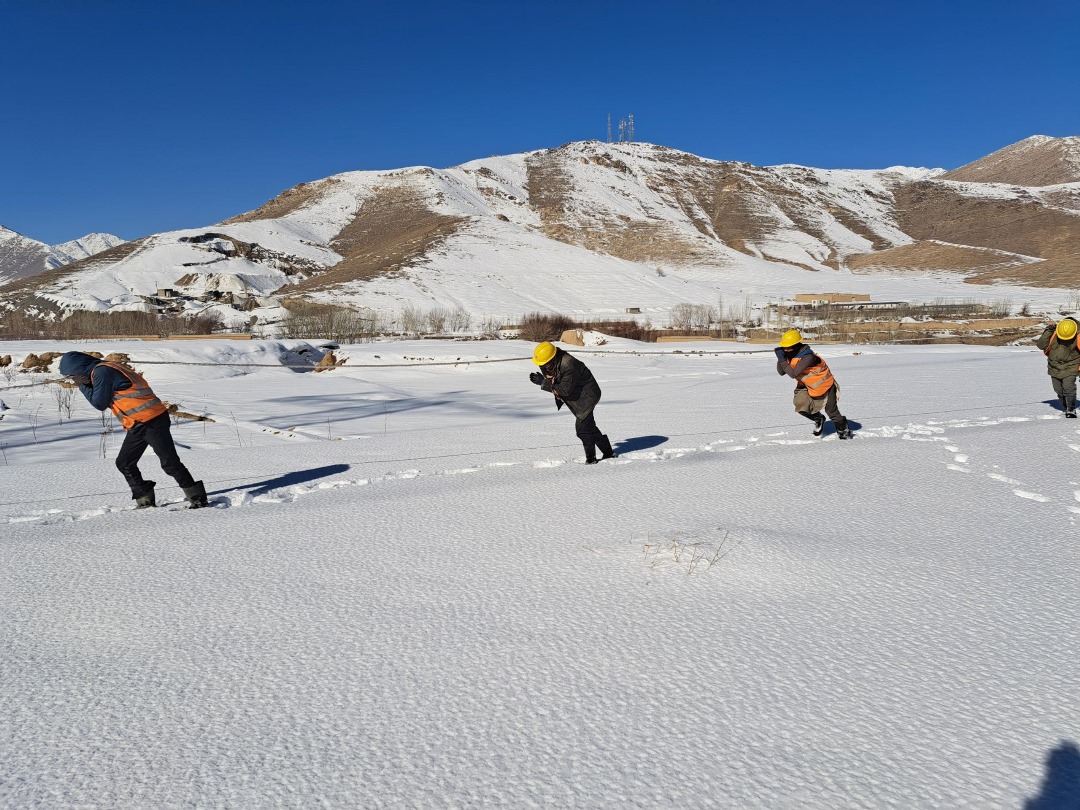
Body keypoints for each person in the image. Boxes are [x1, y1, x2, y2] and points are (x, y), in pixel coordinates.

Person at [58, 351, 209, 507]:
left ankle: (198, 499)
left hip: (152, 420)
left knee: (170, 463)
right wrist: (85, 383)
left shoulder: (102, 372)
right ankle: (145, 499)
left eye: (72, 376)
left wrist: (82, 385)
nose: (74, 379)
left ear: (79, 368)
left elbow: (99, 404)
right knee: (124, 462)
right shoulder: (105, 368)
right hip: (138, 423)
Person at [529, 341, 616, 464]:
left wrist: (543, 383)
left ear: (552, 358)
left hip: (587, 397)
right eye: (541, 364)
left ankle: (591, 460)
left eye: (544, 364)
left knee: (582, 430)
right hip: (576, 397)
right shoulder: (551, 364)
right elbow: (554, 380)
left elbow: (564, 390)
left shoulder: (569, 364)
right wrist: (544, 379)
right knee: (589, 427)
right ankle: (608, 453)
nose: (542, 367)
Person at [774, 329, 852, 439]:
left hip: (826, 386)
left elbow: (793, 374)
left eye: (788, 347)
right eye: (784, 347)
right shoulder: (789, 354)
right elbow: (781, 372)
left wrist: (782, 359)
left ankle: (844, 432)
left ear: (797, 345)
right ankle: (818, 418)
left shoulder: (808, 357)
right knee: (800, 406)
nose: (785, 350)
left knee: (831, 411)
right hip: (808, 386)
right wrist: (781, 359)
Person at [1035, 317, 1080, 418]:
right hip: (1054, 366)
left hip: (1071, 365)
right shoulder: (1053, 333)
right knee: (1058, 389)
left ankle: (1071, 409)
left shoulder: (1078, 335)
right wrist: (1048, 331)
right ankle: (1065, 405)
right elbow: (1041, 346)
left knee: (1068, 387)